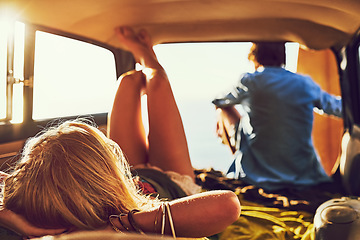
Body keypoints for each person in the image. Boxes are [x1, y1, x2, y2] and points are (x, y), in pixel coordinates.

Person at [0, 27, 241, 239]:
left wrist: (7, 217)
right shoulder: (131, 220)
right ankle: (150, 60)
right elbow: (228, 205)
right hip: (169, 182)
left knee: (127, 81)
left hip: (130, 177)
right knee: (157, 80)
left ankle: (140, 66)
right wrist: (122, 223)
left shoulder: (34, 202)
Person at [213, 42, 342, 191]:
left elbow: (218, 100)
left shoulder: (249, 81)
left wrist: (219, 124)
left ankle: (239, 158)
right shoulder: (304, 84)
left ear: (254, 56)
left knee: (223, 108)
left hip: (255, 178)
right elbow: (338, 108)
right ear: (283, 56)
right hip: (305, 177)